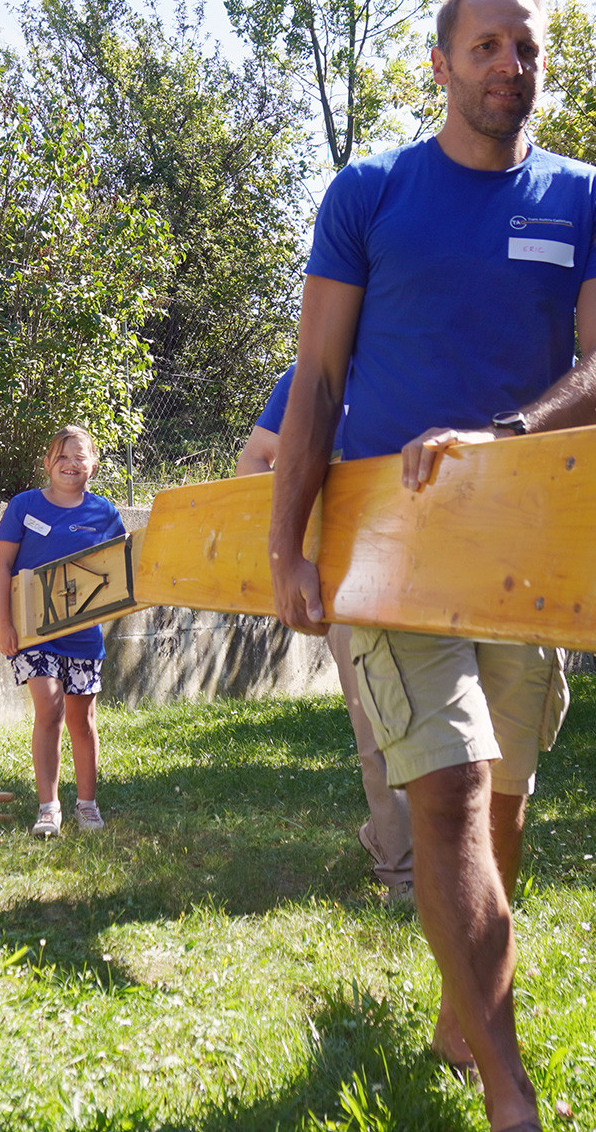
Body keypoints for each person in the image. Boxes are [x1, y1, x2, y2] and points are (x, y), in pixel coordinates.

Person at [269, 0, 596, 1132]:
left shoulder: (587, 197)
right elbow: (317, 377)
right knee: (444, 791)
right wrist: (289, 546)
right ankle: (506, 1083)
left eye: (522, 48)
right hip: (387, 540)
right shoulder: (369, 191)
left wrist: (503, 436)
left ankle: (458, 1011)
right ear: (439, 64)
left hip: (530, 540)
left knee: (502, 807)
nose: (505, 68)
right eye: (482, 47)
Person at [237, 365, 415, 908]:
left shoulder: (428, 356)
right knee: (381, 726)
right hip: (348, 581)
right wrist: (296, 548)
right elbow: (254, 463)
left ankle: (414, 840)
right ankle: (403, 871)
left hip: (439, 564)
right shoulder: (308, 379)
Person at [0, 426, 127, 837]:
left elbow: (122, 572)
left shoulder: (105, 513)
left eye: (80, 457)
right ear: (48, 463)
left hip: (84, 635)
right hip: (34, 634)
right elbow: (2, 570)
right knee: (49, 708)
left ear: (94, 466)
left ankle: (87, 806)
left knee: (81, 722)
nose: (71, 464)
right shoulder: (23, 505)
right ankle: (49, 809)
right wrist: (4, 624)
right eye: (62, 456)